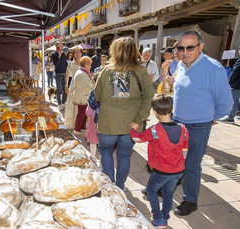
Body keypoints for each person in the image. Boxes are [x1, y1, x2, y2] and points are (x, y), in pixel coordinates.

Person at [166, 31, 233, 216]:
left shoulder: (214, 68)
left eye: (190, 47)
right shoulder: (181, 64)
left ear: (201, 47)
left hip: (198, 126)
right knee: (174, 160)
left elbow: (226, 103)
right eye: (181, 48)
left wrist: (210, 118)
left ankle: (190, 200)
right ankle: (168, 188)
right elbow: (179, 91)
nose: (185, 52)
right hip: (177, 122)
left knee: (192, 165)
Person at [94, 37, 154, 190]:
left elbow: (97, 95)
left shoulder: (106, 70)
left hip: (109, 122)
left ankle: (110, 187)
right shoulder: (141, 71)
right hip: (132, 123)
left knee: (106, 152)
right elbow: (148, 96)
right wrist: (140, 118)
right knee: (124, 155)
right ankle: (120, 186)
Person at [130, 93, 189, 228]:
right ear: (172, 109)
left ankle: (158, 218)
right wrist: (179, 163)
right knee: (168, 193)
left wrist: (133, 130)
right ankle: (165, 216)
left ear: (155, 112)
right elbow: (185, 150)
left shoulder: (155, 130)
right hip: (178, 169)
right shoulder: (183, 129)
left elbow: (138, 139)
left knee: (151, 190)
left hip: (161, 170)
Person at [70, 56, 95, 135]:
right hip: (82, 96)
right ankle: (77, 129)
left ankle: (82, 128)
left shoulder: (83, 73)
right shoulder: (82, 73)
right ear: (86, 64)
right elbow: (86, 87)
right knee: (81, 113)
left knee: (84, 113)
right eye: (90, 65)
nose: (91, 66)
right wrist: (94, 89)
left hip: (84, 96)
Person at [219, 47, 240, 123]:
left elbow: (235, 72)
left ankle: (230, 117)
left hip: (237, 84)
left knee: (234, 100)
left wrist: (230, 81)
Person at [64, 47, 83, 129]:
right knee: (74, 104)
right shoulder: (71, 64)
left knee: (83, 104)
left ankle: (82, 124)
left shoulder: (85, 62)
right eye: (76, 52)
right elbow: (67, 75)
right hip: (74, 86)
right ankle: (74, 124)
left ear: (81, 53)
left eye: (79, 52)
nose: (78, 53)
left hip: (83, 86)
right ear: (73, 54)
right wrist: (66, 86)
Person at [85, 74, 100, 166]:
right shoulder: (107, 94)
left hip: (94, 121)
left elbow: (88, 112)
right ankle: (102, 163)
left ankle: (93, 157)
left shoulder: (93, 94)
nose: (92, 84)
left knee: (93, 141)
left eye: (93, 82)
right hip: (105, 122)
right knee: (103, 146)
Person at [51, 41, 68, 110]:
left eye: (62, 46)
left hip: (65, 74)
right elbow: (56, 65)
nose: (62, 47)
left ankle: (63, 103)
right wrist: (59, 56)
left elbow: (65, 63)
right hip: (58, 74)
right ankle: (59, 104)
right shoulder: (54, 54)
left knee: (65, 89)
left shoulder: (63, 54)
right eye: (61, 46)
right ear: (57, 47)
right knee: (58, 90)